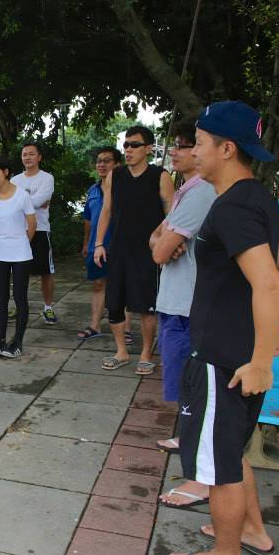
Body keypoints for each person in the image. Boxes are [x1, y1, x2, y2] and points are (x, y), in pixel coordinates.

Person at [165, 100, 279, 555]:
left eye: (200, 143)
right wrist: (270, 341)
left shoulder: (233, 207)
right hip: (239, 353)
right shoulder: (257, 196)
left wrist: (262, 357)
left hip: (223, 358)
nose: (193, 151)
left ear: (226, 148)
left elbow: (272, 283)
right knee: (232, 451)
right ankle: (252, 531)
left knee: (218, 464)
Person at [148, 124, 218, 509]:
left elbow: (160, 251)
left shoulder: (203, 191)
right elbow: (155, 239)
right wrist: (164, 241)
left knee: (195, 387)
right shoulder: (185, 191)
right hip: (176, 300)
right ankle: (187, 439)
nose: (175, 152)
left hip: (188, 304)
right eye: (173, 146)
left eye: (185, 146)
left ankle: (200, 475)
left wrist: (164, 243)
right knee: (183, 382)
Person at [93, 125, 174, 375]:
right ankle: (121, 351)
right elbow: (106, 211)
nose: (128, 150)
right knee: (115, 303)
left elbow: (172, 215)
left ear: (148, 149)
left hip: (148, 252)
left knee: (146, 305)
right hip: (118, 248)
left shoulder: (160, 176)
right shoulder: (115, 176)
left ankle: (147, 353)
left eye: (135, 145)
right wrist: (98, 244)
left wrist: (167, 245)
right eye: (126, 145)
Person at [0, 154, 36, 357]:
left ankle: (17, 342)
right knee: (1, 298)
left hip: (21, 253)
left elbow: (32, 224)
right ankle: (0, 340)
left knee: (20, 297)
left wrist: (20, 242)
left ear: (5, 172)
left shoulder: (22, 195)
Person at [78, 147, 129, 340]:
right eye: (99, 161)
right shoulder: (93, 190)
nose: (101, 164)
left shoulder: (125, 189)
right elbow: (88, 220)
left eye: (107, 161)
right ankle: (95, 325)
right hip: (96, 246)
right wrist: (86, 243)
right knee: (99, 284)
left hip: (120, 245)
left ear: (117, 164)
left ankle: (126, 329)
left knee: (123, 286)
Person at [12, 143, 57, 324]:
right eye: (24, 154)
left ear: (39, 157)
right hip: (18, 231)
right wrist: (35, 202)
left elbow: (38, 201)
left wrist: (22, 203)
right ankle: (19, 307)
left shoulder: (47, 178)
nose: (27, 157)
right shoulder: (14, 180)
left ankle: (48, 308)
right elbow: (10, 203)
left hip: (40, 230)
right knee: (18, 272)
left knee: (46, 272)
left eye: (31, 154)